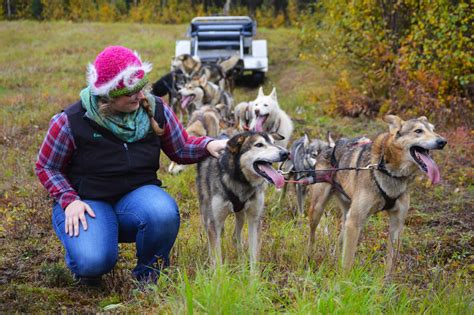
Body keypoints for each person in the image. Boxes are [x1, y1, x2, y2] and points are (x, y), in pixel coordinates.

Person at [35, 46, 226, 284]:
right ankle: (87, 258)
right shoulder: (70, 121)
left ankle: (149, 275)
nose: (139, 96)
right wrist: (69, 200)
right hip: (87, 202)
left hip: (136, 198)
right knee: (93, 261)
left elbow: (180, 148)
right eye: (130, 92)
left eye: (140, 88)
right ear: (107, 94)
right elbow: (46, 166)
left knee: (163, 212)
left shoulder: (155, 109)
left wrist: (208, 145)